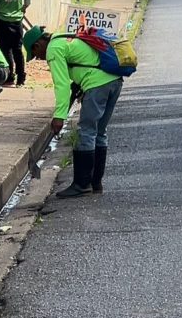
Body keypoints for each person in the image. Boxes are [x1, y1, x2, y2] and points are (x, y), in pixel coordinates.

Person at [22, 25, 124, 198]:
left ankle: (82, 184)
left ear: (38, 44)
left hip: (97, 84)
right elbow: (83, 64)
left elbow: (61, 86)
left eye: (36, 54)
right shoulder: (65, 38)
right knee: (99, 132)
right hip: (114, 81)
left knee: (86, 132)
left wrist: (59, 116)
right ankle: (95, 183)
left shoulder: (53, 50)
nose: (39, 59)